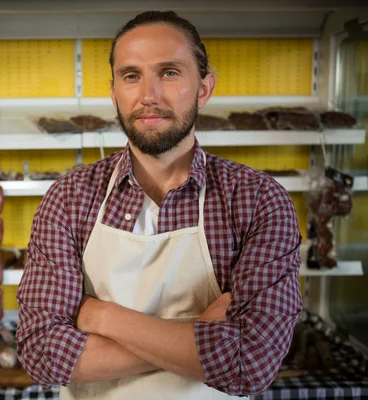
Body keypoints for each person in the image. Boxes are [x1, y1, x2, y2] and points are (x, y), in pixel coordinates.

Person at [16, 10, 303, 400]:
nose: (148, 95)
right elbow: (43, 357)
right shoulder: (69, 198)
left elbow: (248, 363)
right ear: (114, 91)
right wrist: (199, 333)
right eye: (131, 75)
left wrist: (101, 316)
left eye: (169, 72)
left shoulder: (257, 201)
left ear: (203, 88)